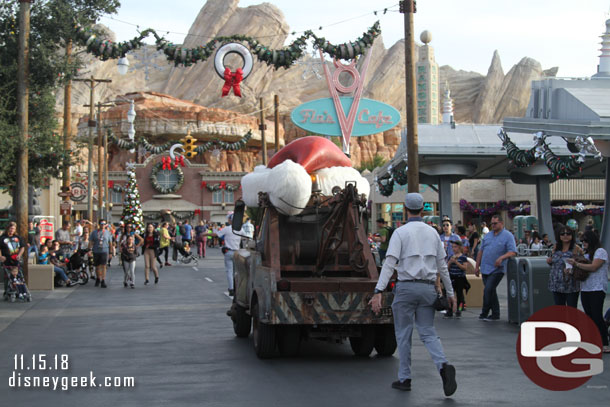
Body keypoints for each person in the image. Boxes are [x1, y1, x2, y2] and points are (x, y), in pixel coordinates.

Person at [369, 193, 457, 397]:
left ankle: (405, 378)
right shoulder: (433, 233)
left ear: (406, 209)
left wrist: (378, 291)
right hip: (428, 288)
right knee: (427, 331)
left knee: (404, 333)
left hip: (407, 288)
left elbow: (390, 263)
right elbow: (442, 266)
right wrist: (450, 293)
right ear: (423, 209)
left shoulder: (400, 233)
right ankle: (443, 366)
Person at [566, 230, 610, 353]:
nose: (584, 243)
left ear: (592, 241)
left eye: (586, 241)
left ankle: (604, 342)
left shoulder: (600, 252)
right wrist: (571, 270)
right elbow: (582, 270)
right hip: (585, 287)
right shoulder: (585, 254)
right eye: (582, 241)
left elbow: (594, 267)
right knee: (589, 316)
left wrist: (576, 264)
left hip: (597, 288)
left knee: (597, 315)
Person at [475, 215, 517, 321]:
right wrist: (477, 266)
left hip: (497, 269)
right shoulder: (488, 235)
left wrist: (501, 258)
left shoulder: (508, 236)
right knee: (491, 291)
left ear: (501, 223)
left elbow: (513, 251)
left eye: (495, 223)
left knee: (488, 290)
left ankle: (484, 312)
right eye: (492, 224)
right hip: (485, 268)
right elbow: (481, 251)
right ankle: (495, 314)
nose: (493, 225)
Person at [207, 213, 244, 296]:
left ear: (231, 221)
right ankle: (236, 288)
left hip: (228, 251)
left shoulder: (227, 229)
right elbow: (245, 237)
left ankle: (231, 289)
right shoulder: (240, 229)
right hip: (237, 252)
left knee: (229, 271)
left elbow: (216, 234)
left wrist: (206, 234)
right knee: (236, 272)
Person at [546, 225, 582, 307]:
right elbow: (554, 261)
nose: (565, 235)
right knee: (559, 309)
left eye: (568, 233)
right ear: (559, 236)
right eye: (562, 234)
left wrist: (573, 267)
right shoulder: (556, 246)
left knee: (571, 309)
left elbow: (581, 263)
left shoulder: (576, 248)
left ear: (572, 235)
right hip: (556, 283)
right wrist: (550, 261)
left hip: (570, 283)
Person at [446, 240, 469, 318]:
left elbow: (464, 268)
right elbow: (447, 268)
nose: (453, 249)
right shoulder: (451, 256)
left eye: (455, 247)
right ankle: (450, 309)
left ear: (459, 248)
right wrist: (450, 262)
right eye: (452, 247)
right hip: (452, 276)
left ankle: (459, 309)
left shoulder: (463, 257)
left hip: (460, 278)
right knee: (450, 294)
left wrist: (456, 262)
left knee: (460, 294)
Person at [89, 220, 113, 288]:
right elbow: (91, 241)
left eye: (104, 224)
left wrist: (111, 252)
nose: (103, 225)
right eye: (102, 224)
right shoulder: (94, 232)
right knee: (97, 266)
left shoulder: (107, 232)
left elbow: (110, 243)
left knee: (103, 266)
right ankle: (98, 278)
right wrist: (90, 250)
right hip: (96, 251)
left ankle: (103, 280)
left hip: (104, 251)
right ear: (99, 224)